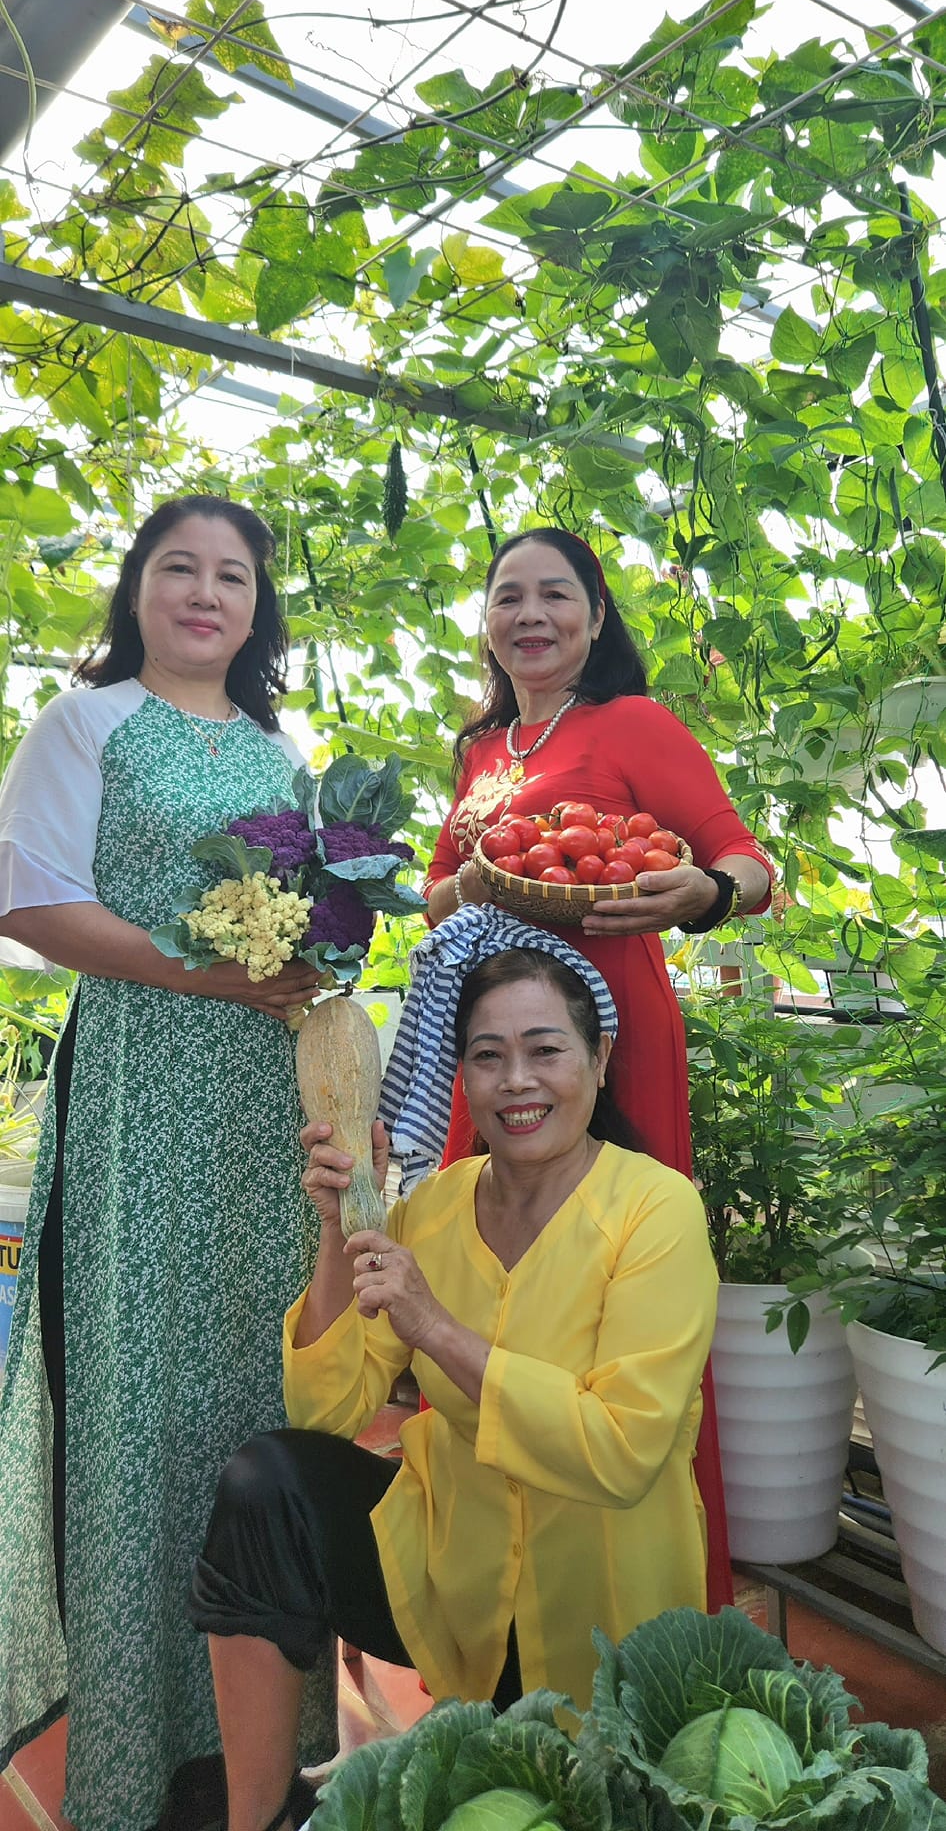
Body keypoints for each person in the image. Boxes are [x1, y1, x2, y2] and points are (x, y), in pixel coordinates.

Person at [190, 933, 718, 1831]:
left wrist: (436, 1326)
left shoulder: (655, 1209)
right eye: (488, 1056)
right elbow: (325, 1409)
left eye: (545, 1050)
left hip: (597, 1608)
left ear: (599, 1060)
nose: (517, 1081)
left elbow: (624, 1450)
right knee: (266, 1483)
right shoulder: (432, 1207)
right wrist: (341, 1224)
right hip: (448, 1574)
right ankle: (258, 1819)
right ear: (461, 1076)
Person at [0, 496, 333, 1831]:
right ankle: (141, 1753)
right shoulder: (85, 724)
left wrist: (320, 956)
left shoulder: (278, 751)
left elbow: (308, 919)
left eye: (231, 575)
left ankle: (260, 1752)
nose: (205, 592)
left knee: (258, 1383)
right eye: (178, 567)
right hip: (138, 1099)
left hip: (262, 1106)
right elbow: (32, 902)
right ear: (136, 588)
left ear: (257, 610)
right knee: (133, 1399)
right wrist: (210, 973)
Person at [423, 526, 774, 1609]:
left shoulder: (633, 723)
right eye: (508, 596)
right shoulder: (480, 750)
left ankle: (649, 1582)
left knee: (620, 1272)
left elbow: (745, 860)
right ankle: (494, 1573)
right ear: (487, 619)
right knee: (486, 1260)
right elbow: (436, 892)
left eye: (555, 594)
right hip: (491, 1035)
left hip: (609, 1038)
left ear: (596, 613)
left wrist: (704, 895)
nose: (529, 614)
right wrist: (474, 888)